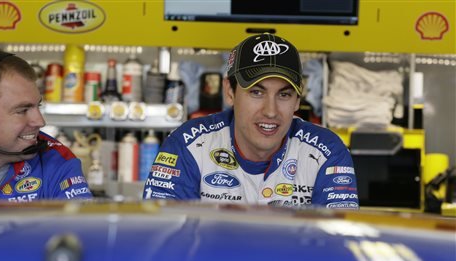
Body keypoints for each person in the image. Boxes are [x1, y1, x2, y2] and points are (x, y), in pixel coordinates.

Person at [143, 33, 359, 209]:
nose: (271, 111)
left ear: (297, 101)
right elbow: (163, 237)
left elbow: (338, 245)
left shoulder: (328, 151)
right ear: (230, 92)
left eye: (284, 95)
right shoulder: (187, 144)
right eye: (256, 92)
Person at [0, 46, 92, 204]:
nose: (40, 122)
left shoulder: (56, 160)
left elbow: (82, 228)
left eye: (38, 106)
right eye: (22, 110)